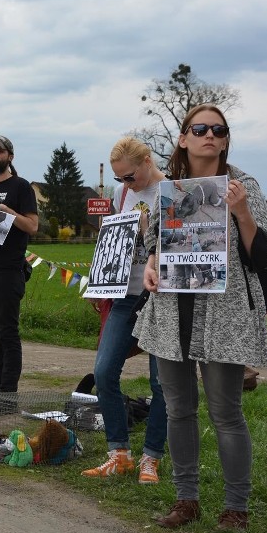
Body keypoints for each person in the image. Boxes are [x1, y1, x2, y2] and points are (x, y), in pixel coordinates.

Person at [134, 104, 267, 531]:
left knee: (225, 411)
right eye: (201, 129)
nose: (210, 135)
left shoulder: (242, 186)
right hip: (174, 311)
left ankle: (236, 508)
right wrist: (150, 262)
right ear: (184, 138)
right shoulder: (171, 189)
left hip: (224, 313)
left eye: (219, 129)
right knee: (178, 408)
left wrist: (243, 213)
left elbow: (266, 256)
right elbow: (154, 245)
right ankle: (186, 499)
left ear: (226, 138)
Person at [81, 137, 168, 485]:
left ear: (147, 161)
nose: (126, 185)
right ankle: (119, 453)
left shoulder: (173, 191)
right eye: (120, 179)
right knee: (103, 373)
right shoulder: (122, 195)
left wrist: (150, 234)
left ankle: (151, 458)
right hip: (124, 294)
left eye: (130, 177)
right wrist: (99, 278)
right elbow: (113, 242)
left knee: (161, 383)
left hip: (161, 297)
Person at [0, 136, 38, 404]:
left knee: (7, 331)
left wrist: (5, 209)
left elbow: (32, 226)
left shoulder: (21, 187)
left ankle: (9, 393)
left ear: (10, 157)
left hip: (10, 269)